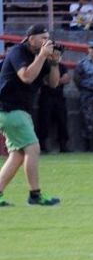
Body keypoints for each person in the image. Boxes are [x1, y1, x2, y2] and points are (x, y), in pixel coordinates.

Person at [0, 25, 62, 206]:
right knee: (33, 148)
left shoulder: (41, 57)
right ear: (30, 38)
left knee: (18, 155)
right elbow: (26, 77)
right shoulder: (18, 52)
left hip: (18, 111)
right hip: (10, 109)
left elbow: (53, 84)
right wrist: (42, 56)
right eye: (42, 37)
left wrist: (54, 63)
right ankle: (35, 195)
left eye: (47, 38)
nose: (46, 41)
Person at [34, 44, 70, 154]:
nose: (57, 56)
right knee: (43, 121)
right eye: (55, 54)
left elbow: (67, 78)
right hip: (46, 96)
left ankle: (63, 145)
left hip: (59, 97)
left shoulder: (62, 66)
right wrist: (56, 81)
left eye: (59, 54)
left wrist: (55, 81)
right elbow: (45, 81)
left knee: (62, 121)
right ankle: (42, 145)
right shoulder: (44, 65)